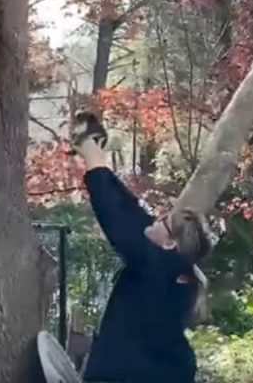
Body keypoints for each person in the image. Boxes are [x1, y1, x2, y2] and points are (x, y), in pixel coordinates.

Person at [72, 126, 212, 383]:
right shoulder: (172, 267)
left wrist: (93, 162)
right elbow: (133, 212)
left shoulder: (153, 265)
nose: (154, 220)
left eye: (162, 220)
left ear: (169, 243)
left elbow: (115, 220)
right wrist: (100, 166)